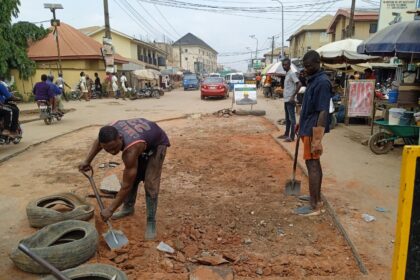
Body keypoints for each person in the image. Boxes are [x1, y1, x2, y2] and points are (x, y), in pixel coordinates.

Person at [78, 118, 170, 240]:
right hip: (142, 139)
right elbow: (98, 143)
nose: (111, 152)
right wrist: (87, 161)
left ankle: (151, 221)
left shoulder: (131, 150)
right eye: (107, 149)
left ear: (120, 138)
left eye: (113, 147)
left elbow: (126, 185)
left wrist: (110, 209)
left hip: (157, 144)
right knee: (134, 177)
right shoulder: (108, 133)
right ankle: (128, 208)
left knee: (150, 184)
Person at [295, 50, 331, 216]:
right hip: (306, 126)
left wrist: (317, 138)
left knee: (313, 165)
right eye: (305, 66)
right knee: (313, 164)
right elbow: (307, 107)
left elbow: (323, 111)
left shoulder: (323, 82)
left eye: (309, 66)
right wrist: (299, 124)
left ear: (318, 63)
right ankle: (314, 196)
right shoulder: (313, 79)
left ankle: (314, 203)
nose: (306, 69)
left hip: (312, 130)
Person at [278, 58, 301, 142]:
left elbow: (299, 84)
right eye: (283, 65)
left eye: (286, 64)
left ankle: (292, 137)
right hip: (286, 100)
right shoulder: (287, 74)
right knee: (287, 118)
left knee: (292, 119)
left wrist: (293, 96)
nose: (284, 66)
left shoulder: (291, 73)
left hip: (290, 100)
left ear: (289, 64)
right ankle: (286, 134)